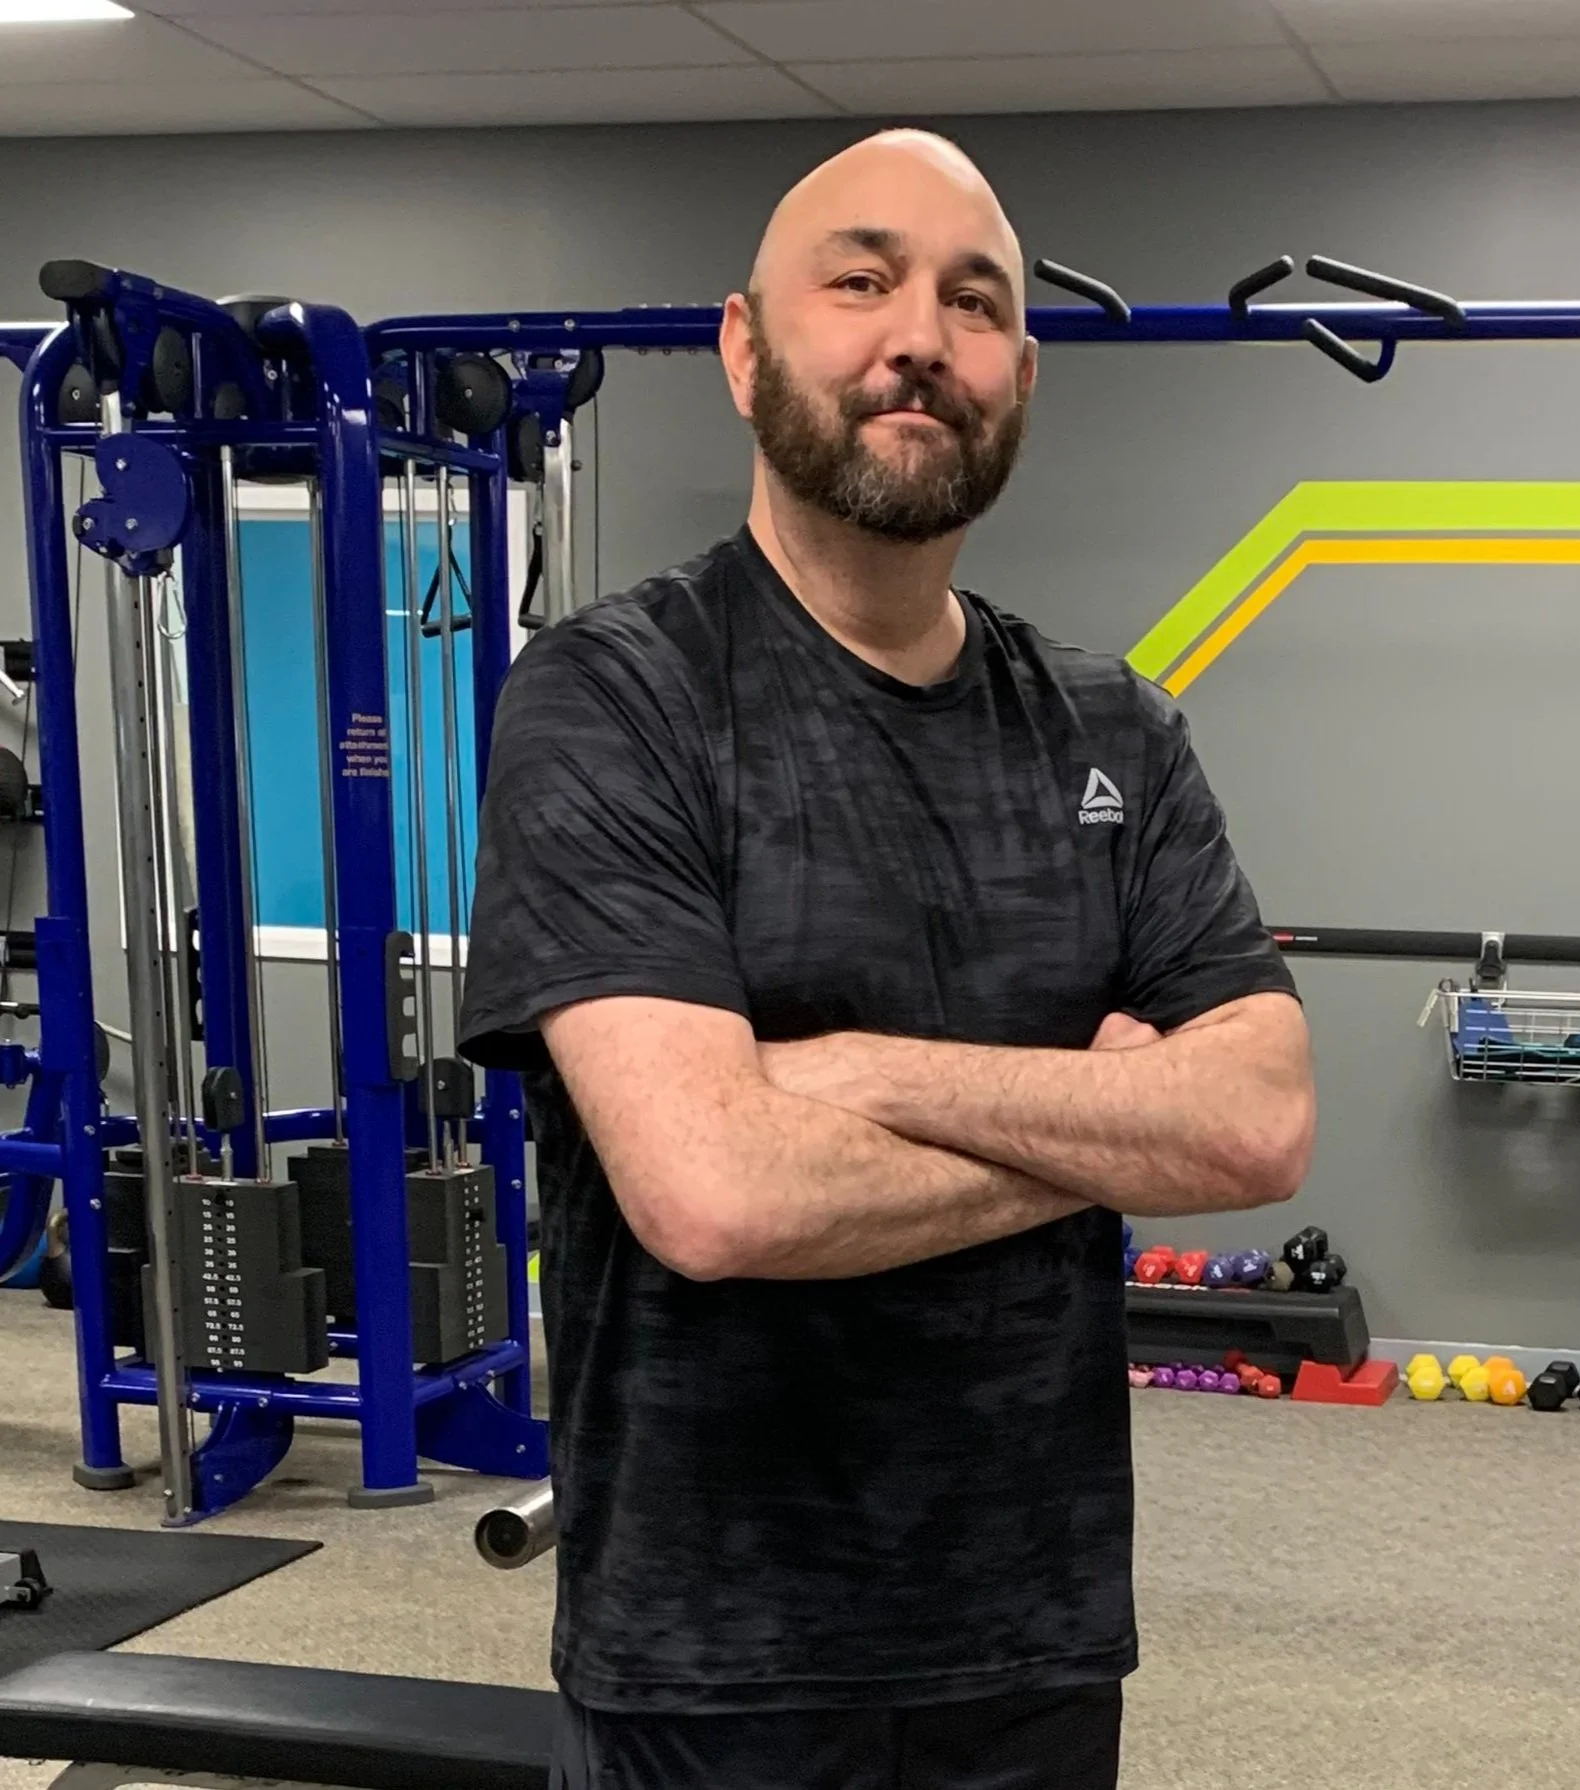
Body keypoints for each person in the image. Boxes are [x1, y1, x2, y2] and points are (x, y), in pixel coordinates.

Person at [459, 127, 1316, 1790]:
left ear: (1019, 376)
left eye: (974, 301)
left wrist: (848, 1076)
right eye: (859, 281)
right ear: (744, 349)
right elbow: (714, 1193)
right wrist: (1102, 1126)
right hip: (709, 1658)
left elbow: (1259, 1121)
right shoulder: (614, 696)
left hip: (1033, 1634)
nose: (920, 334)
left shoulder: (1114, 727)